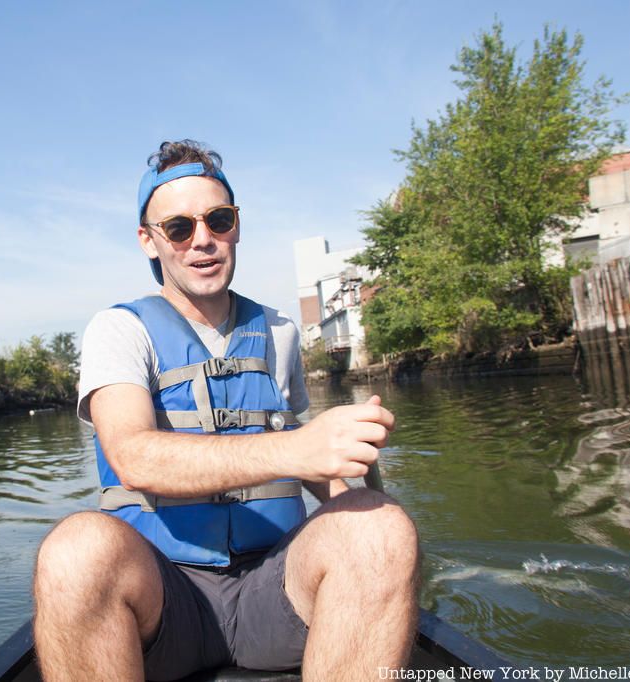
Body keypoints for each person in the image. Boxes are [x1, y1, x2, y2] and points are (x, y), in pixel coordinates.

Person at [33, 140, 419, 681]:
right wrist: (299, 448)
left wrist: (357, 479)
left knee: (383, 528)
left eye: (218, 219)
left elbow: (315, 468)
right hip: (165, 601)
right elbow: (133, 459)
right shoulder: (119, 330)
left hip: (272, 592)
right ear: (149, 241)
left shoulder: (280, 332)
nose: (204, 241)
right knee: (75, 549)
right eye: (179, 228)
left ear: (237, 224)